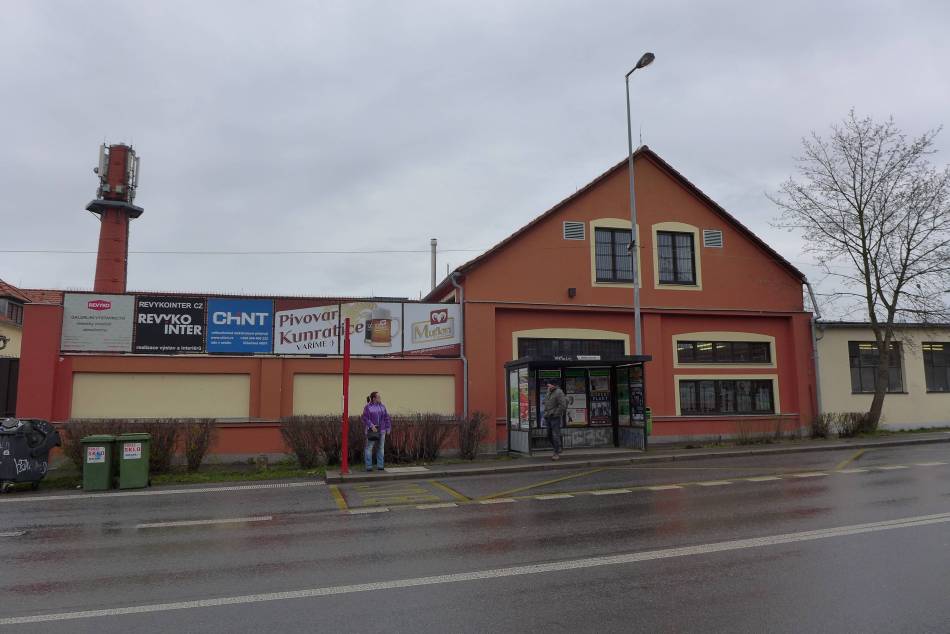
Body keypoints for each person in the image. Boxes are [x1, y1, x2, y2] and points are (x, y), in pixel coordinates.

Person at [362, 391, 392, 471]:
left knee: (381, 448)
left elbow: (386, 418)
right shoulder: (368, 407)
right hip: (372, 431)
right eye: (378, 397)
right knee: (369, 448)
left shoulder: (382, 407)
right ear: (374, 398)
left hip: (382, 431)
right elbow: (365, 418)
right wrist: (371, 426)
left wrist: (388, 428)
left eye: (380, 397)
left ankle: (380, 466)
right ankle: (368, 466)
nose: (380, 398)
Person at [543, 381, 567, 460]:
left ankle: (556, 453)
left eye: (549, 385)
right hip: (548, 417)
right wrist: (545, 412)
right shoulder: (548, 392)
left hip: (555, 417)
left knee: (555, 435)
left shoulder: (559, 392)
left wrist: (555, 413)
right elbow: (546, 403)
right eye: (547, 385)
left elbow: (563, 405)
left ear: (553, 385)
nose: (548, 386)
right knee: (548, 434)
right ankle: (558, 447)